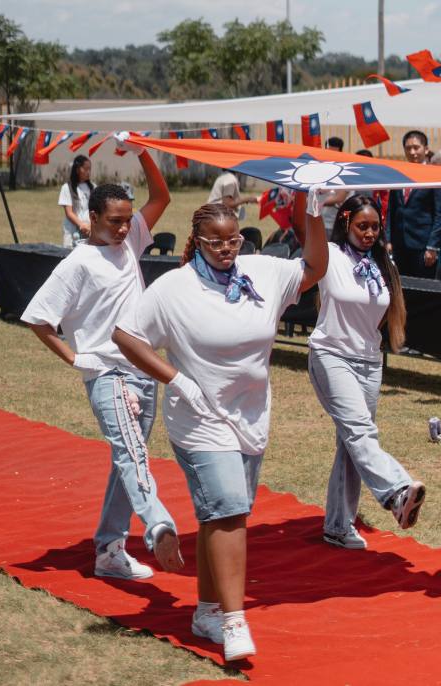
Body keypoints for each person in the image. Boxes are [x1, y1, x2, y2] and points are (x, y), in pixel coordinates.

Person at [112, 191, 328, 662]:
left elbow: (313, 267)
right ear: (197, 241)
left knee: (224, 515)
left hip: (250, 415)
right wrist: (174, 378)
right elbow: (124, 334)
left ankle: (207, 609)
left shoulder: (262, 272)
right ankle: (234, 621)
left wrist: (313, 211)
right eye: (215, 243)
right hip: (199, 418)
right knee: (229, 508)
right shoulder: (175, 288)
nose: (227, 250)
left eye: (233, 241)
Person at [21, 133, 182, 581]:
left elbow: (162, 195)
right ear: (91, 218)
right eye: (115, 221)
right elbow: (38, 319)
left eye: (128, 220)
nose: (125, 228)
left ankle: (109, 550)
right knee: (132, 456)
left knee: (126, 458)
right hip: (107, 374)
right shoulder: (75, 265)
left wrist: (141, 152)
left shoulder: (130, 243)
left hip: (144, 370)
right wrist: (76, 361)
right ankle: (158, 526)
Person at [303, 194, 426, 549]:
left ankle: (338, 525)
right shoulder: (330, 255)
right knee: (360, 432)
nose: (369, 233)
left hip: (370, 362)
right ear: (345, 224)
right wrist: (313, 206)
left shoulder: (380, 262)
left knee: (352, 444)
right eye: (362, 226)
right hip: (331, 355)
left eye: (375, 226)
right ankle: (397, 492)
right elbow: (309, 232)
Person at [387, 130, 441, 278]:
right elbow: (391, 210)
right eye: (408, 148)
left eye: (416, 147)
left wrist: (432, 247)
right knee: (401, 287)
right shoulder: (399, 174)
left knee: (422, 291)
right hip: (399, 245)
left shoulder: (434, 176)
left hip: (423, 246)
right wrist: (388, 240)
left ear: (426, 149)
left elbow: (440, 214)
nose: (412, 152)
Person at [58, 155, 94, 248]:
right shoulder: (67, 188)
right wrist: (82, 225)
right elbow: (69, 213)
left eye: (89, 169)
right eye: (85, 169)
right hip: (73, 230)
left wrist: (90, 226)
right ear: (77, 169)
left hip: (89, 229)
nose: (88, 172)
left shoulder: (93, 187)